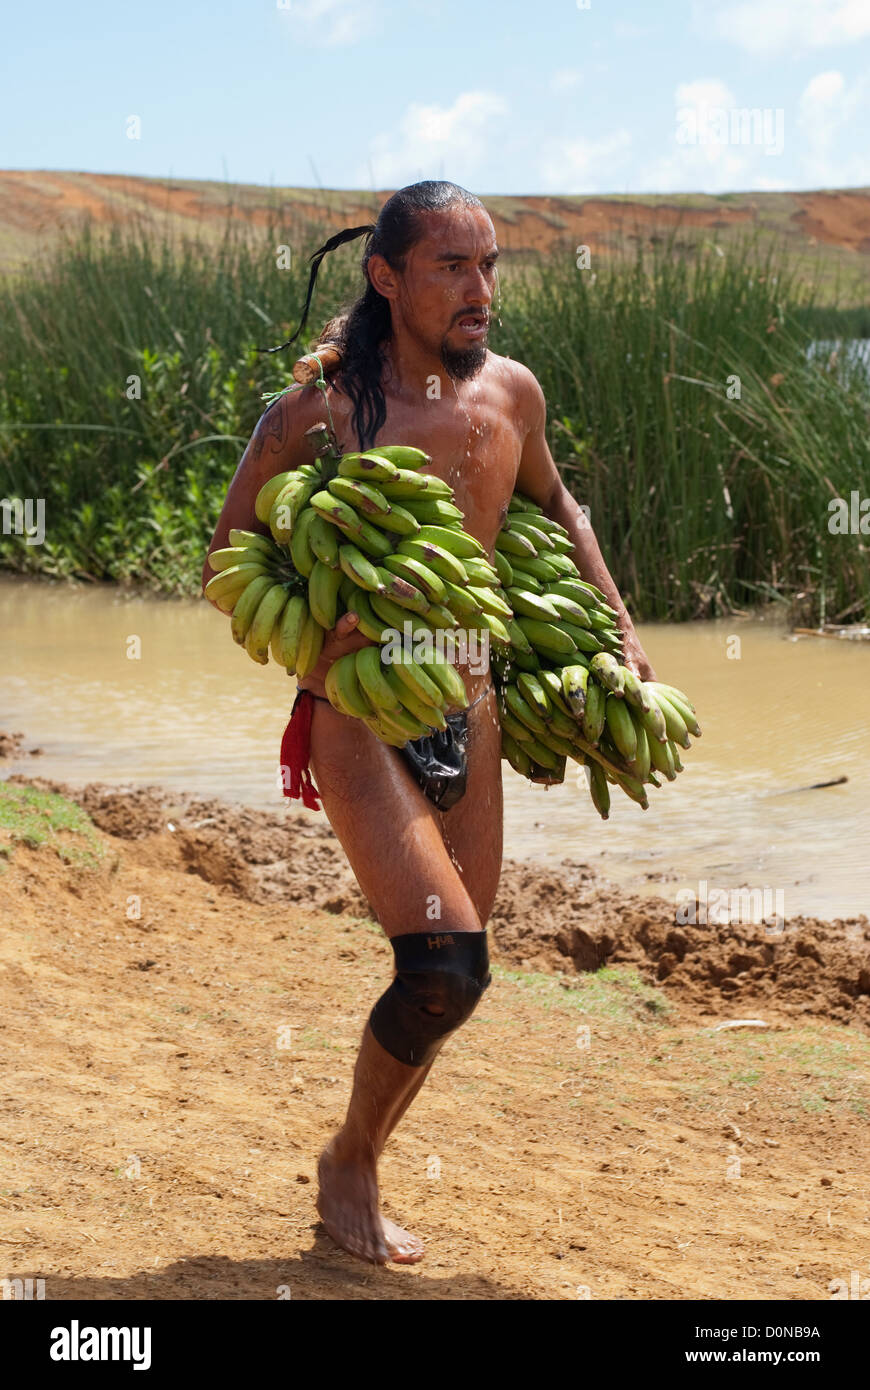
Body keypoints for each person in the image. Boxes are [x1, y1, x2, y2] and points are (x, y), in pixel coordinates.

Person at [203, 179, 655, 1266]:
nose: (480, 289)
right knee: (442, 961)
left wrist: (618, 631)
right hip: (357, 712)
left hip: (475, 704)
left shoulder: (514, 397)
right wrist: (319, 653)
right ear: (386, 277)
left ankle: (358, 1150)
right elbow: (224, 558)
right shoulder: (320, 414)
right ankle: (350, 1164)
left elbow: (560, 506)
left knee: (463, 977)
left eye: (489, 265)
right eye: (452, 267)